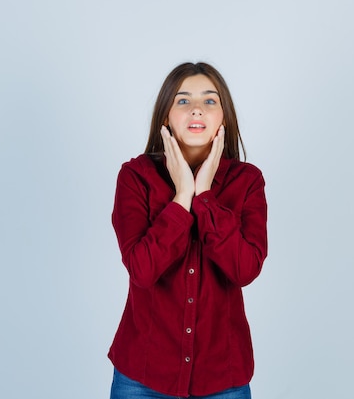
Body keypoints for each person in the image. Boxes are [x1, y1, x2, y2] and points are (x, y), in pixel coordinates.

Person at [108, 62, 268, 399]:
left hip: (223, 380)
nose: (197, 108)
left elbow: (245, 269)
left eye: (210, 101)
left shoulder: (247, 181)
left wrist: (206, 196)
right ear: (165, 116)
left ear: (223, 118)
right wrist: (182, 198)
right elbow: (142, 269)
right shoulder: (135, 178)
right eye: (183, 100)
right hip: (142, 377)